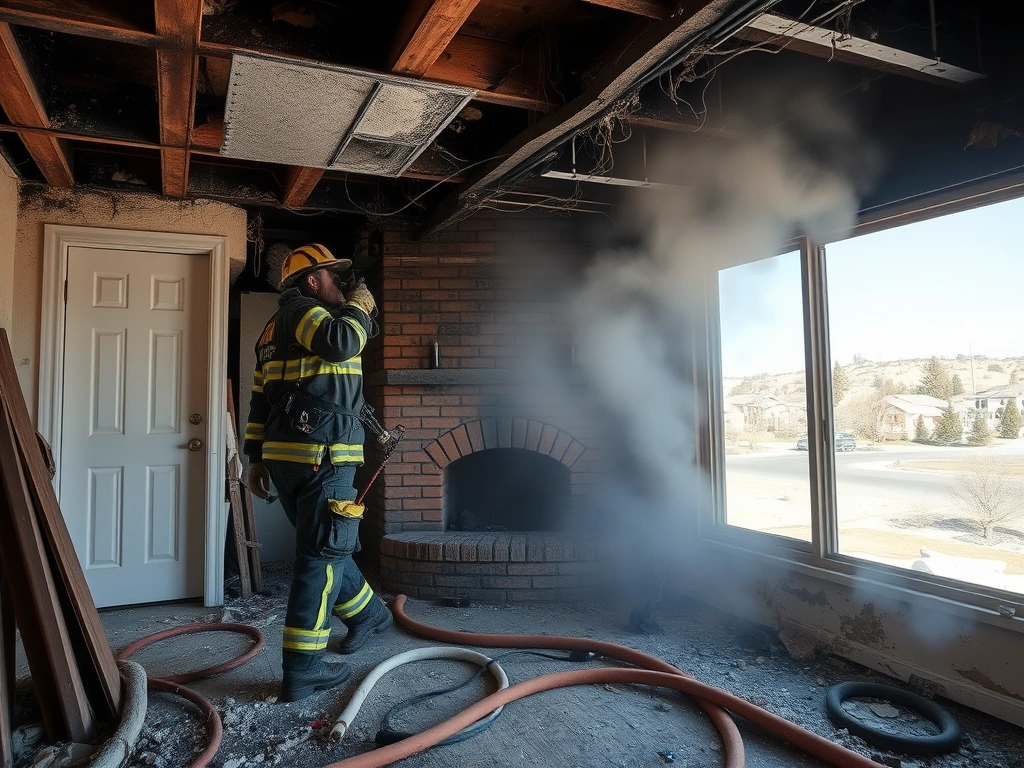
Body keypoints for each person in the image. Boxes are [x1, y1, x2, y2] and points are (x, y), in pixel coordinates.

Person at [243, 243, 393, 703]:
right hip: (322, 457)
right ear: (311, 281)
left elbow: (261, 399)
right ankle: (303, 668)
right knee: (320, 558)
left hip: (288, 459)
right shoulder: (307, 312)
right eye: (334, 276)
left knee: (324, 547)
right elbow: (343, 342)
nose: (342, 284)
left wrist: (255, 457)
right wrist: (360, 306)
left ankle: (368, 615)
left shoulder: (271, 329)